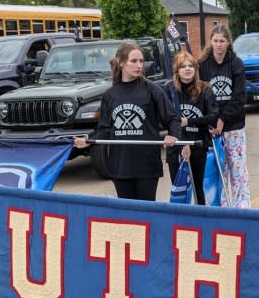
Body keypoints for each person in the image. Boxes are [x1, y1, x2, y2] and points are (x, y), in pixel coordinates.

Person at [73, 43, 180, 201]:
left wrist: (174, 136)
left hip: (147, 165)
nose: (139, 65)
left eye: (141, 61)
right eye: (134, 61)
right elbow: (105, 129)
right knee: (128, 216)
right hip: (120, 165)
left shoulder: (152, 90)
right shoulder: (110, 95)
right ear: (122, 63)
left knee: (146, 213)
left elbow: (172, 118)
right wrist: (88, 141)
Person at [198, 24, 251, 208]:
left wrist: (223, 118)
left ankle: (241, 208)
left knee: (237, 170)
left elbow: (239, 97)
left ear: (228, 42)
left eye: (222, 41)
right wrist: (212, 119)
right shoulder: (203, 65)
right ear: (210, 42)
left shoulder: (235, 63)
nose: (219, 44)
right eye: (215, 41)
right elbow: (200, 95)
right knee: (220, 172)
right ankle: (220, 209)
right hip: (212, 128)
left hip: (233, 125)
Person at [164, 51, 218, 205]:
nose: (187, 69)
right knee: (179, 188)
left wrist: (189, 121)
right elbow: (163, 117)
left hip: (198, 145)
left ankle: (200, 220)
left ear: (195, 69)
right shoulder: (170, 90)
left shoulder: (205, 89)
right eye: (183, 66)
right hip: (176, 147)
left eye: (190, 66)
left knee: (198, 188)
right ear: (177, 70)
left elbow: (213, 116)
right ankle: (180, 221)